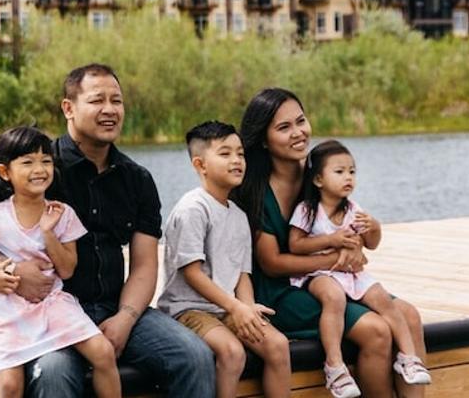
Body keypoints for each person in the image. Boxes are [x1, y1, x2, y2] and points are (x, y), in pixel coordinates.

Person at [0, 64, 214, 397]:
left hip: (118, 306)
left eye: (117, 101)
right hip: (50, 308)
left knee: (195, 356)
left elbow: (145, 264)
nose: (110, 110)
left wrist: (125, 319)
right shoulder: (39, 166)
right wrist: (13, 269)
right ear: (68, 108)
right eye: (97, 100)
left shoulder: (137, 178)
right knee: (54, 373)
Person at [232, 88, 427, 398]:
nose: (298, 133)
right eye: (284, 128)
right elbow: (271, 263)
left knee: (410, 316)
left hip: (336, 281)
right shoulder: (254, 190)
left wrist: (355, 245)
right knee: (376, 331)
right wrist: (336, 257)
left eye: (301, 121)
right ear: (264, 139)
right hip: (281, 292)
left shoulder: (320, 174)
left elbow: (348, 224)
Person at [0, 126, 121, 398]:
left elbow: (67, 269)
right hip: (7, 308)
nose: (39, 169)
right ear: (5, 172)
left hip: (52, 302)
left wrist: (48, 232)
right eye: (27, 162)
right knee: (10, 385)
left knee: (104, 353)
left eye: (46, 161)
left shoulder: (62, 213)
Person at [157, 121, 292, 398]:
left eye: (240, 153)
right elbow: (192, 274)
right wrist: (236, 307)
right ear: (200, 164)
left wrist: (248, 308)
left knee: (277, 344)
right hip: (188, 310)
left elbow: (242, 274)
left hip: (227, 308)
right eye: (225, 153)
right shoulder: (193, 209)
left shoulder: (239, 215)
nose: (236, 160)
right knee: (232, 352)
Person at [289, 139, 431, 391]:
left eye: (352, 171)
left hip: (352, 273)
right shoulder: (307, 210)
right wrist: (331, 239)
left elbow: (371, 244)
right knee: (333, 298)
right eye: (340, 172)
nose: (348, 177)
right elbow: (296, 245)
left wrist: (374, 227)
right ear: (318, 180)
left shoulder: (354, 210)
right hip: (319, 272)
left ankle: (409, 358)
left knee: (383, 299)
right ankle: (334, 365)